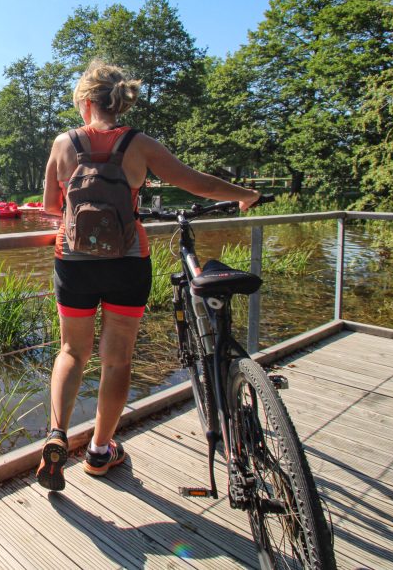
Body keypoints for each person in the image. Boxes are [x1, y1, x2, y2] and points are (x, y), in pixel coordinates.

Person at [35, 58, 260, 491]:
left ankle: (57, 435)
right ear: (118, 103)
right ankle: (100, 451)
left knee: (71, 351)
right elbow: (199, 184)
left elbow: (49, 206)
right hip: (128, 261)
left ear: (85, 102)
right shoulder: (139, 144)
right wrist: (244, 194)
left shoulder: (63, 143)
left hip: (73, 262)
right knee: (117, 359)